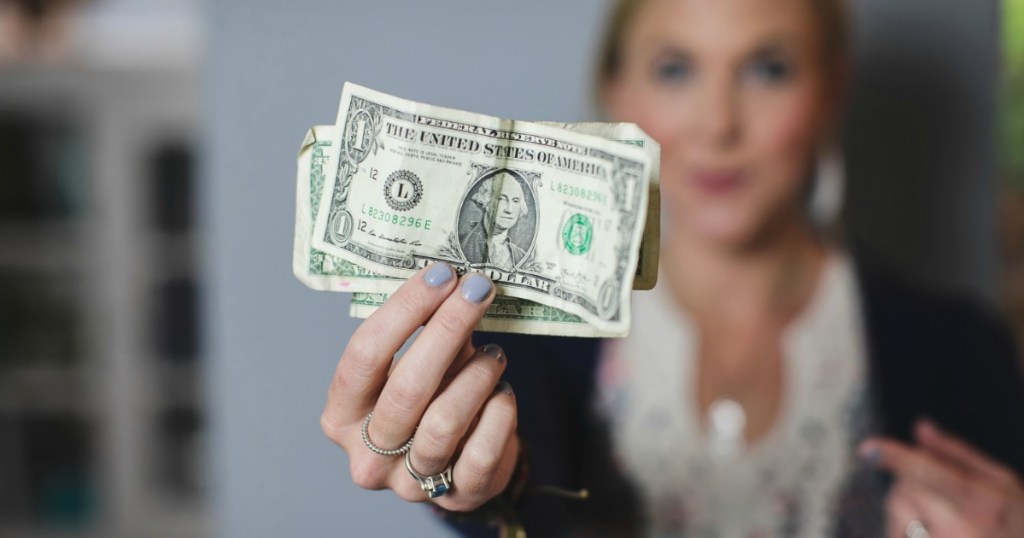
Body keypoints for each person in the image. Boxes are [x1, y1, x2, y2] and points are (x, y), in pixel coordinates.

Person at [320, 0, 1024, 536]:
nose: (717, 124)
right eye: (676, 69)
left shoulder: (958, 349)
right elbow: (514, 501)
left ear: (830, 95)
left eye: (768, 68)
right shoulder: (524, 336)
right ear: (618, 93)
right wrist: (483, 484)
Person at [459, 171, 532, 271]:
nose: (509, 210)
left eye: (515, 201)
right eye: (501, 199)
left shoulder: (522, 256)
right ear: (486, 200)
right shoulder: (461, 244)